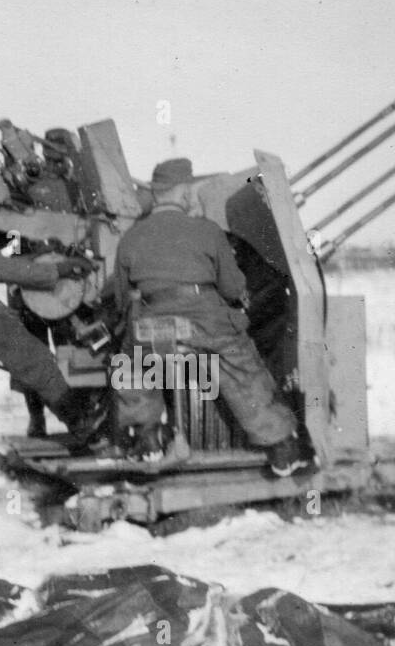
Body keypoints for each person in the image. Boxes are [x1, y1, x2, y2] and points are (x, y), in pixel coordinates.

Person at [112, 157, 310, 475]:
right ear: (185, 193)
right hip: (204, 323)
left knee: (131, 365)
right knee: (242, 368)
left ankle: (147, 437)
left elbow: (122, 297)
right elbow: (233, 288)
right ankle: (281, 444)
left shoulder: (131, 238)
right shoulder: (206, 230)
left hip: (152, 328)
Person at [0, 157, 101, 441]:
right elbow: (2, 262)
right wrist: (51, 263)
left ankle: (76, 418)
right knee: (32, 358)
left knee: (36, 357)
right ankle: (77, 423)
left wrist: (42, 253)